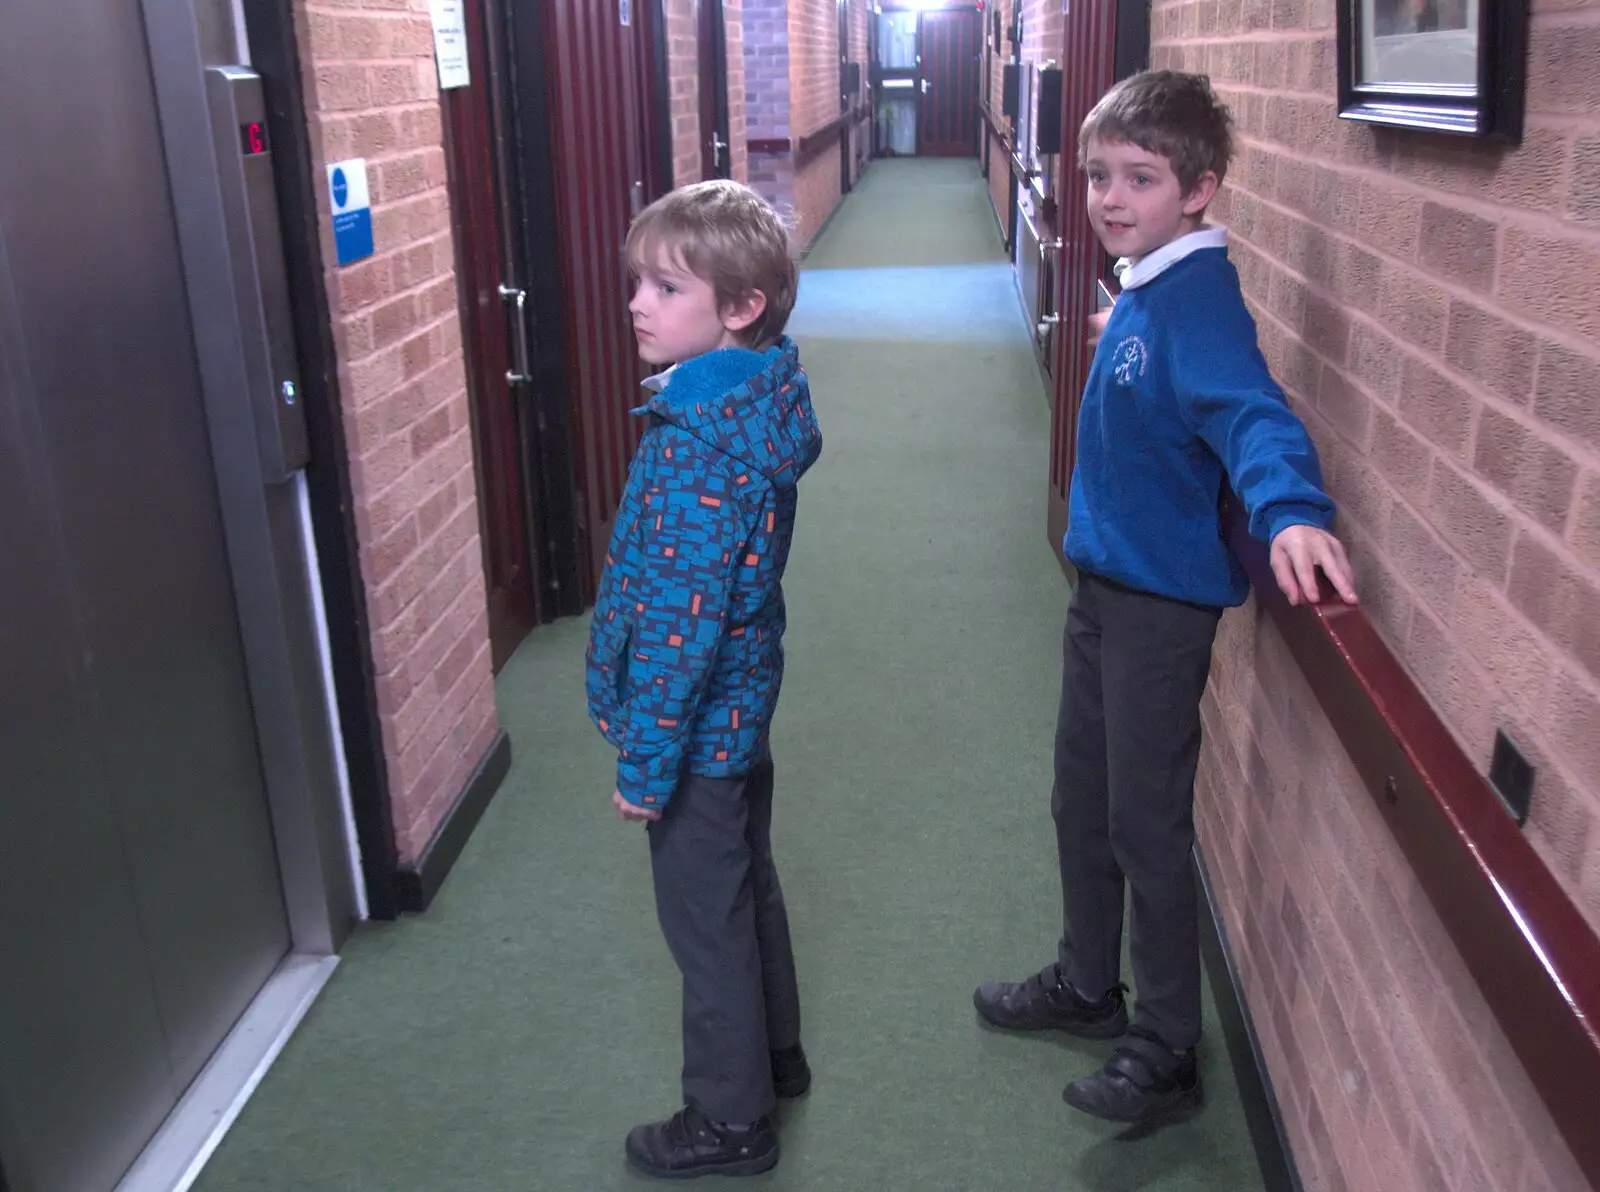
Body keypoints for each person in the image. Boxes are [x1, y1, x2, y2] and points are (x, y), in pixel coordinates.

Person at [973, 71, 1359, 1126]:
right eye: (1098, 174)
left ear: (1199, 189)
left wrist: (1288, 509)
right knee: (1079, 797)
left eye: (1139, 178)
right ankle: (1087, 982)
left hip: (1158, 607)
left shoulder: (1197, 302)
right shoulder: (1142, 285)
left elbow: (1250, 413)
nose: (1107, 197)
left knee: (1145, 821)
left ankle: (1167, 1047)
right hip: (1103, 587)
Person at [586, 179, 823, 1179]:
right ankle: (773, 1056)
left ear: (740, 307)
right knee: (744, 879)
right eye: (637, 282)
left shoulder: (696, 450)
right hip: (740, 706)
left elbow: (679, 635)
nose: (637, 303)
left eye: (665, 288)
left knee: (704, 917)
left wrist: (645, 765)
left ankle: (730, 1119)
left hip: (695, 729)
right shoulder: (752, 399)